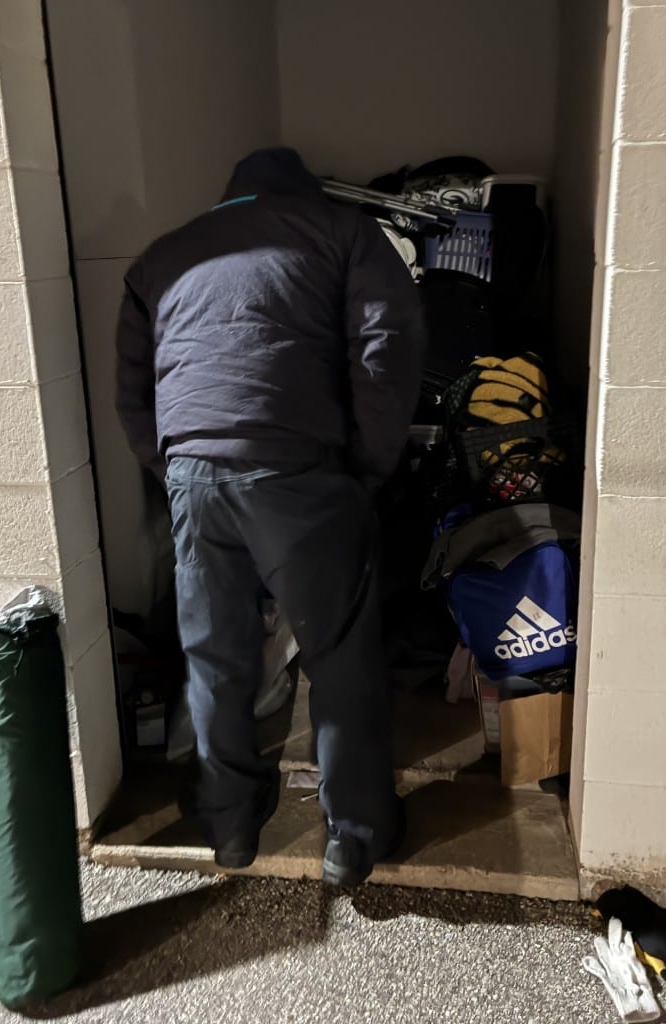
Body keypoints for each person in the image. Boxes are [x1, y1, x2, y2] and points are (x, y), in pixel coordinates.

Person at [115, 148, 425, 886]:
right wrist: (366, 465)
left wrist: (175, 471)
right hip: (301, 474)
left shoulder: (162, 256)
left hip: (193, 473)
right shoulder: (343, 232)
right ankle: (353, 837)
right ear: (303, 190)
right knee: (338, 655)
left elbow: (133, 393)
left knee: (216, 657)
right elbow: (389, 345)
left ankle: (229, 828)